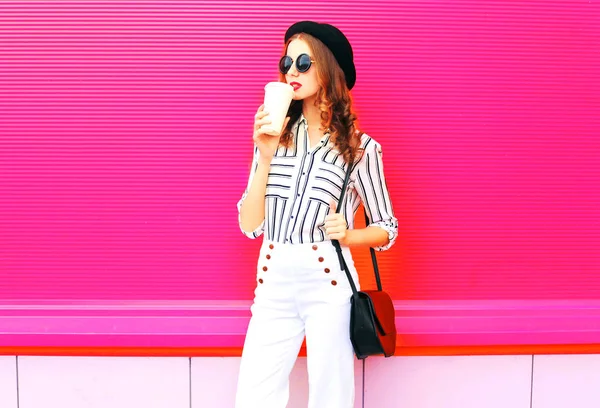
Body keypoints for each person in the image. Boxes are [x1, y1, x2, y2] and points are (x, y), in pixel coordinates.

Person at [235, 20, 398, 408]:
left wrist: (350, 234)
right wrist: (266, 153)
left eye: (303, 62)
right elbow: (249, 224)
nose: (291, 70)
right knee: (254, 395)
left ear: (328, 69)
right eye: (286, 62)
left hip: (327, 283)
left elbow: (387, 228)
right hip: (272, 279)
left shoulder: (360, 149)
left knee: (330, 396)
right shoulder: (271, 135)